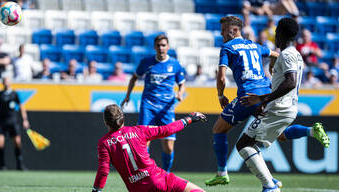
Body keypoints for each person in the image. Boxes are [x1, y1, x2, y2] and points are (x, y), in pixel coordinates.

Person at [204, 16, 329, 187]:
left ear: (234, 30)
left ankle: (222, 173)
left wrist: (220, 95)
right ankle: (307, 134)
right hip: (267, 92)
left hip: (249, 97)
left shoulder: (227, 47)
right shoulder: (255, 46)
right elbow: (276, 54)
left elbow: (221, 77)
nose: (221, 33)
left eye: (224, 30)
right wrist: (272, 62)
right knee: (279, 135)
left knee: (220, 131)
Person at [92, 104, 206, 192]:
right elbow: (167, 130)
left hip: (136, 189)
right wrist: (189, 119)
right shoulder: (139, 130)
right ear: (123, 118)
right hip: (158, 180)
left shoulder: (104, 143)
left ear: (106, 122)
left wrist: (96, 189)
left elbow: (103, 170)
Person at [121, 34, 186, 173]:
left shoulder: (175, 64)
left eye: (163, 45)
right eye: (158, 45)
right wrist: (128, 96)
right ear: (154, 47)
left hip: (166, 108)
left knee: (168, 146)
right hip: (148, 105)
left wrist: (180, 93)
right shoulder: (146, 62)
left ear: (168, 47)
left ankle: (167, 174)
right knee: (144, 141)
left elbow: (182, 83)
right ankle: (145, 172)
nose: (161, 48)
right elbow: (134, 78)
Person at [0, 76, 30, 170]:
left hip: (13, 122)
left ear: (10, 82)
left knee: (17, 142)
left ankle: (20, 164)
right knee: (0, 143)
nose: (6, 83)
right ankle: (2, 165)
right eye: (4, 81)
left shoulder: (14, 94)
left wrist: (25, 120)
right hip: (1, 122)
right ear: (2, 83)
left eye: (7, 81)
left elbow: (22, 106)